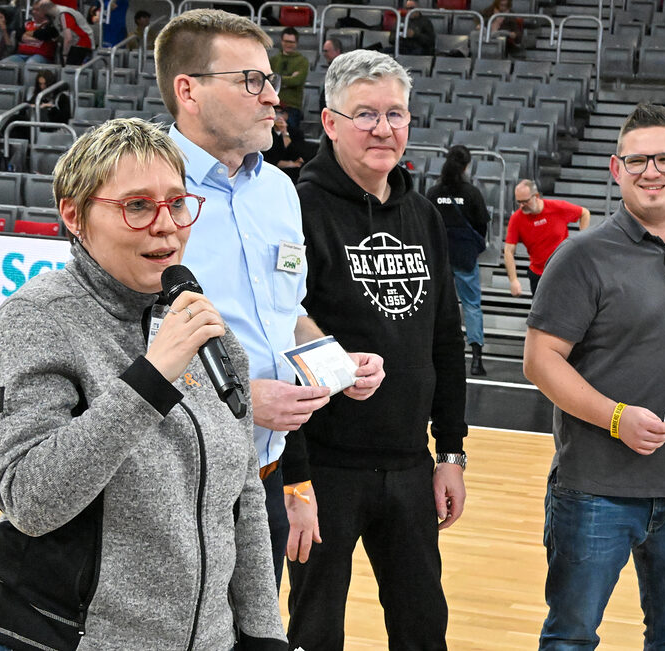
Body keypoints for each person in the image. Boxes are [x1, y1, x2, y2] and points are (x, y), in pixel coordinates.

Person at [0, 117, 288, 651]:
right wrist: (149, 382)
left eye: (177, 203)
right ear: (75, 215)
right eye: (137, 206)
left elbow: (244, 492)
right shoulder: (37, 320)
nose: (166, 225)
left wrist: (262, 632)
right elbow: (30, 499)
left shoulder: (201, 326)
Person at [154, 8, 385, 587]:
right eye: (250, 81)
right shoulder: (145, 186)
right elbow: (119, 337)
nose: (271, 99)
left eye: (271, 82)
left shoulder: (280, 189)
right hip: (173, 477)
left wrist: (333, 362)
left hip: (264, 473)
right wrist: (234, 400)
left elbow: (287, 313)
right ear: (189, 91)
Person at [524, 102, 665, 649]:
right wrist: (616, 418)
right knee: (571, 637)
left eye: (664, 158)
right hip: (594, 490)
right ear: (615, 169)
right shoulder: (581, 256)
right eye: (637, 161)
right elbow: (541, 359)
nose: (651, 171)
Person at [284, 48, 469, 650]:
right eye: (365, 114)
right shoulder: (296, 208)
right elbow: (277, 329)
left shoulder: (422, 215)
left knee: (424, 630)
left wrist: (451, 452)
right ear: (331, 122)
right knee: (315, 632)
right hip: (325, 468)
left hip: (410, 466)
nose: (383, 128)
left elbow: (445, 338)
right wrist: (295, 481)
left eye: (395, 114)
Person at [426, 144, 491, 376]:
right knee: (472, 306)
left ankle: (431, 352)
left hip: (439, 255)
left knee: (435, 305)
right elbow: (482, 223)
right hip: (464, 255)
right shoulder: (471, 193)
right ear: (467, 166)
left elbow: (426, 224)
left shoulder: (434, 193)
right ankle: (476, 358)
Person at [503, 179, 590, 297]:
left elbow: (584, 213)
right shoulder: (516, 219)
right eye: (519, 202)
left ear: (536, 196)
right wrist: (513, 280)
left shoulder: (557, 208)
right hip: (538, 274)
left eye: (525, 201)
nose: (522, 206)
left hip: (563, 271)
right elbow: (508, 250)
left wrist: (581, 242)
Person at [271, 27, 310, 134]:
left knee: (290, 139)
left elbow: (297, 81)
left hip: (292, 107)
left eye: (292, 42)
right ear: (281, 41)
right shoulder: (273, 60)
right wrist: (289, 79)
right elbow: (268, 79)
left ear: (296, 43)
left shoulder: (302, 61)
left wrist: (277, 78)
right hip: (272, 105)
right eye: (286, 41)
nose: (289, 44)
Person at [263, 107, 314, 182]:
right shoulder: (265, 133)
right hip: (270, 170)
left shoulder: (296, 132)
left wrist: (284, 133)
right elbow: (267, 158)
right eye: (276, 113)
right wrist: (290, 163)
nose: (278, 117)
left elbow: (296, 153)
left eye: (281, 113)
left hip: (292, 173)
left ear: (286, 116)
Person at [37, 0, 95, 65]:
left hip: (81, 43)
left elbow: (68, 38)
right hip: (74, 40)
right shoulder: (56, 13)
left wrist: (65, 55)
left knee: (68, 68)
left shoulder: (64, 13)